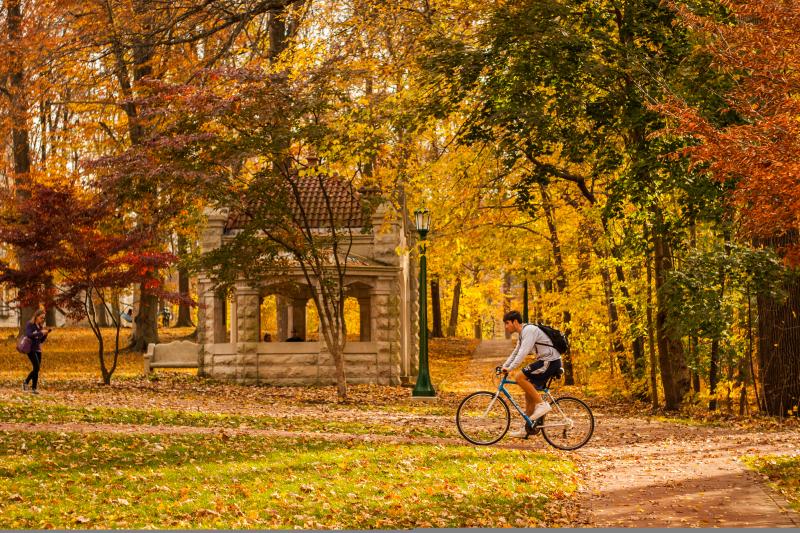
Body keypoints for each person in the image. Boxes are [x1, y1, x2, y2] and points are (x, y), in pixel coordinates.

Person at [500, 310, 562, 438]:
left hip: (550, 361)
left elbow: (523, 353)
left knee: (519, 377)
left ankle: (542, 405)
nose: (506, 326)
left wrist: (511, 368)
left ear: (515, 321)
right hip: (545, 361)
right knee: (529, 394)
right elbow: (516, 352)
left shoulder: (529, 331)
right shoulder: (523, 333)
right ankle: (527, 428)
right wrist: (505, 366)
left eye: (507, 323)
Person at [23, 309, 52, 395]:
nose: (42, 319)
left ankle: (31, 386)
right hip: (30, 349)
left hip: (38, 349)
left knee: (36, 369)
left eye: (44, 318)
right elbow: (29, 335)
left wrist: (45, 334)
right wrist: (40, 333)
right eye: (41, 317)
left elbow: (41, 340)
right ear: (36, 316)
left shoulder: (40, 327)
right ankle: (29, 384)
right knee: (37, 367)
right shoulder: (30, 324)